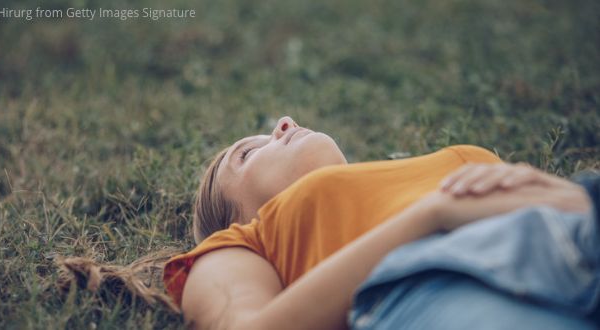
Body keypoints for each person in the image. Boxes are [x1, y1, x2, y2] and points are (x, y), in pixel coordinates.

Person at [161, 116, 597, 329]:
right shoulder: (241, 245)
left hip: (569, 223)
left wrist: (570, 193)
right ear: (237, 221)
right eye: (248, 154)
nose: (284, 123)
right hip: (437, 282)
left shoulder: (397, 177)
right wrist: (432, 216)